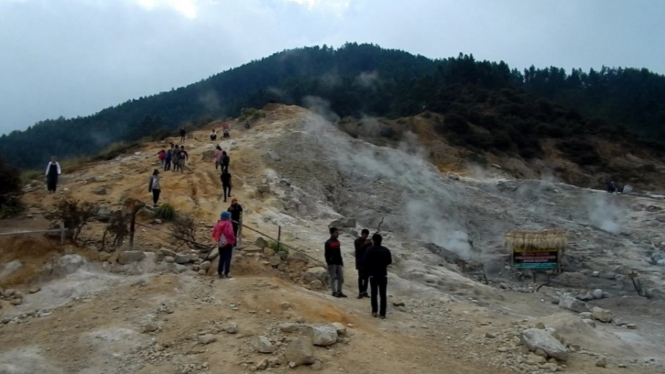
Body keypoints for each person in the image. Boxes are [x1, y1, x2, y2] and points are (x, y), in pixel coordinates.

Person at [363, 233, 392, 319]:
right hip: (383, 274)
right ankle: (382, 314)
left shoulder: (369, 249)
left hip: (373, 275)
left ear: (373, 240)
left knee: (374, 293)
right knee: (383, 294)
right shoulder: (386, 250)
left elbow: (366, 261)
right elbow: (389, 261)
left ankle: (374, 311)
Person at [212, 212, 236, 278]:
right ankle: (226, 273)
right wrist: (233, 239)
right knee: (227, 258)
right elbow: (230, 233)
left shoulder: (218, 224)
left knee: (221, 258)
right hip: (228, 242)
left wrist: (219, 239)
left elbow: (213, 234)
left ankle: (219, 272)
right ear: (228, 217)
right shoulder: (228, 223)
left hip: (220, 243)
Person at [325, 227, 347, 298]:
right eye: (336, 232)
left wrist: (341, 261)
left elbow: (339, 252)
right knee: (333, 277)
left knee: (340, 277)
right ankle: (334, 292)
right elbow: (327, 254)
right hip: (332, 262)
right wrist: (328, 263)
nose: (337, 234)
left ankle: (339, 291)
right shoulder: (328, 243)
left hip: (338, 262)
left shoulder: (337, 242)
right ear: (332, 233)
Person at [353, 229, 372, 299]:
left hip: (367, 262)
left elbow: (370, 251)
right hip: (360, 262)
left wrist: (370, 243)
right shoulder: (357, 241)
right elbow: (358, 250)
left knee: (366, 278)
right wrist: (365, 244)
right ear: (361, 234)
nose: (365, 237)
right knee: (360, 278)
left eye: (366, 236)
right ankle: (360, 292)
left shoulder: (369, 243)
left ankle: (365, 291)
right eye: (364, 235)